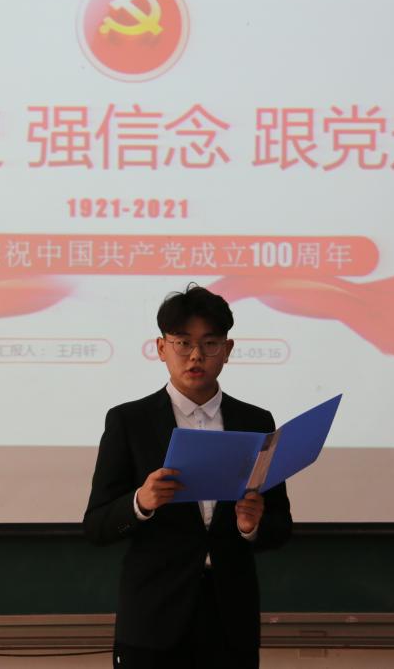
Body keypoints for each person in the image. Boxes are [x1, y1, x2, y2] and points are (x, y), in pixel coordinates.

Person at [83, 284, 292, 668]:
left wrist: (251, 527)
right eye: (182, 343)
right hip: (153, 618)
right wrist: (140, 503)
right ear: (162, 348)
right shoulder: (129, 421)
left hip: (230, 619)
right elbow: (96, 526)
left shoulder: (255, 422)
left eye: (210, 343)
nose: (196, 355)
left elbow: (280, 527)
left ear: (227, 350)